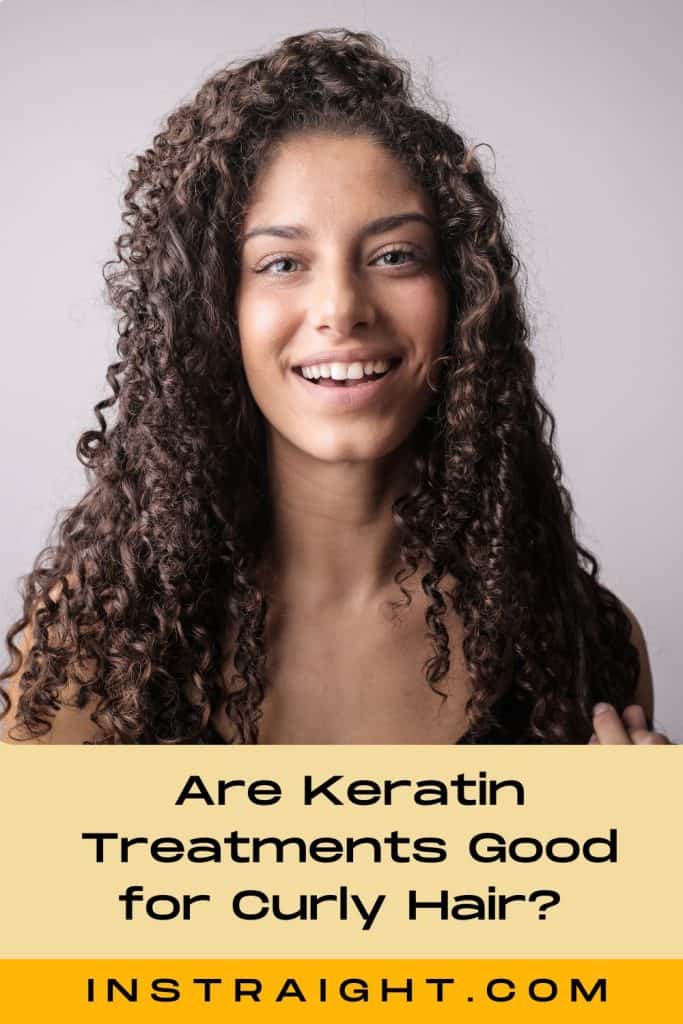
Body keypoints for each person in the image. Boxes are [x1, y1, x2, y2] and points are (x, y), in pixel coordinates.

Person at [0, 29, 670, 746]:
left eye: (393, 255)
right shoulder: (97, 644)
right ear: (214, 313)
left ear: (462, 296)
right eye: (282, 264)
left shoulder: (577, 642)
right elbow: (63, 865)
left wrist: (639, 847)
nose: (342, 308)